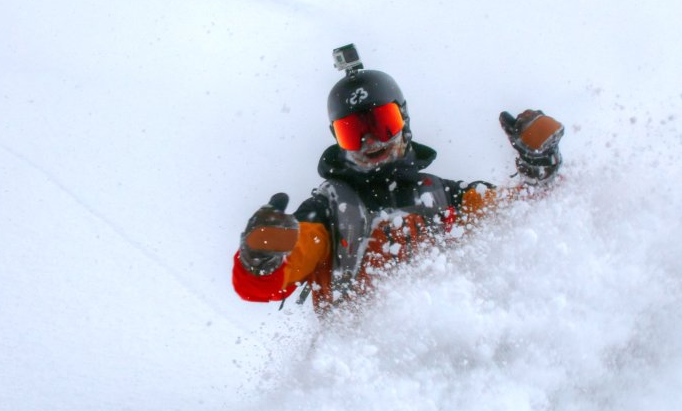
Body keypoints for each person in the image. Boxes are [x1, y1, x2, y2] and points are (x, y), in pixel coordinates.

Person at [232, 44, 564, 310]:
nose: (370, 141)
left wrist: (538, 167)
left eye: (381, 123)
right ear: (336, 140)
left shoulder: (445, 197)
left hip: (458, 352)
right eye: (353, 132)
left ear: (404, 120)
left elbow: (525, 221)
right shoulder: (328, 214)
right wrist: (261, 258)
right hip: (361, 367)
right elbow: (261, 284)